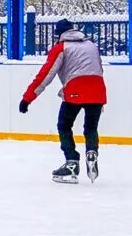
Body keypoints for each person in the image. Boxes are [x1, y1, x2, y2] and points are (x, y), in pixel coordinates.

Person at [21, 17, 107, 183]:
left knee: (64, 126)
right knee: (91, 127)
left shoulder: (61, 48)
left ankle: (72, 162)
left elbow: (45, 75)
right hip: (98, 90)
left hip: (75, 90)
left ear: (59, 34)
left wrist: (28, 98)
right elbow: (99, 68)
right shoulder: (92, 46)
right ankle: (91, 151)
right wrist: (99, 98)